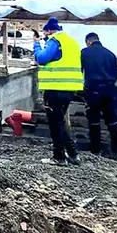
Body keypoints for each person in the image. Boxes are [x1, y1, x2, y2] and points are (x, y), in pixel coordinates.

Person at [33, 17, 83, 166]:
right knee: (60, 121)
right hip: (69, 89)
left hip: (55, 88)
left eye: (45, 33)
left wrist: (36, 45)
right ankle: (73, 154)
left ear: (49, 31)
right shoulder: (71, 41)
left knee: (55, 123)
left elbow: (42, 58)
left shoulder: (55, 41)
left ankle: (59, 157)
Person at [80, 32, 117, 161]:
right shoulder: (110, 54)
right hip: (109, 90)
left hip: (93, 90)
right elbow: (115, 75)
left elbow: (80, 70)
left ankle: (95, 151)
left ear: (88, 42)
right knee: (112, 122)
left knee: (94, 122)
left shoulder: (85, 52)